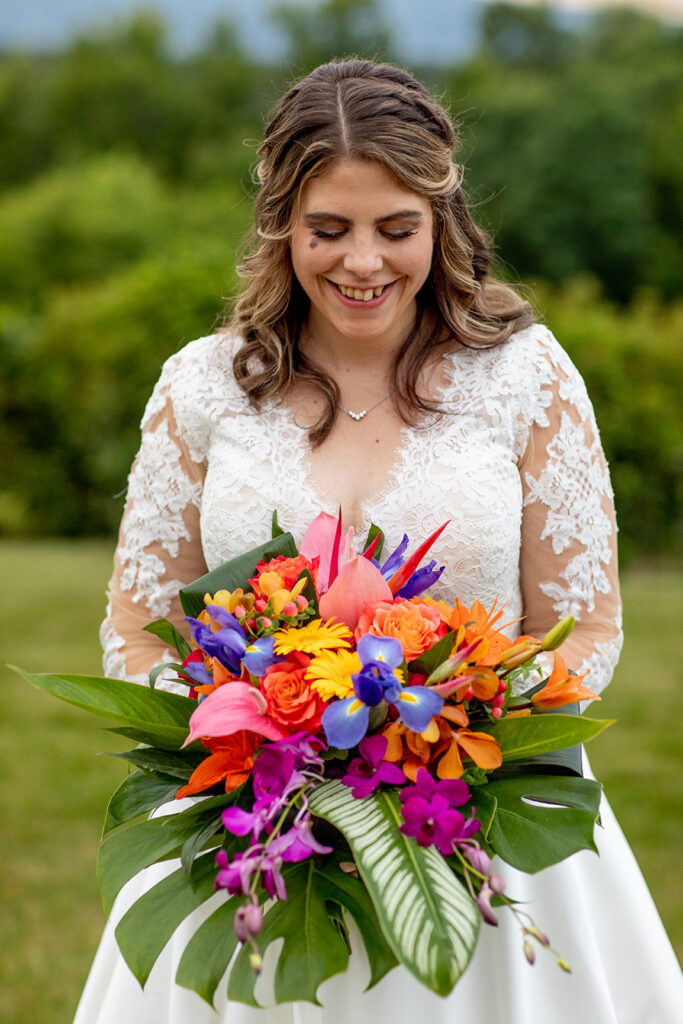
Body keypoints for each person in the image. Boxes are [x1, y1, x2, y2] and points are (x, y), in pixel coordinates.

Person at [75, 59, 682, 1024]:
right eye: (329, 230)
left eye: (396, 229)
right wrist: (267, 739)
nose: (363, 262)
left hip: (475, 816)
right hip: (255, 836)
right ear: (281, 224)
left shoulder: (524, 375)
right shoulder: (202, 389)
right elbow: (138, 632)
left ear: (442, 224)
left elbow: (585, 632)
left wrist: (430, 740)